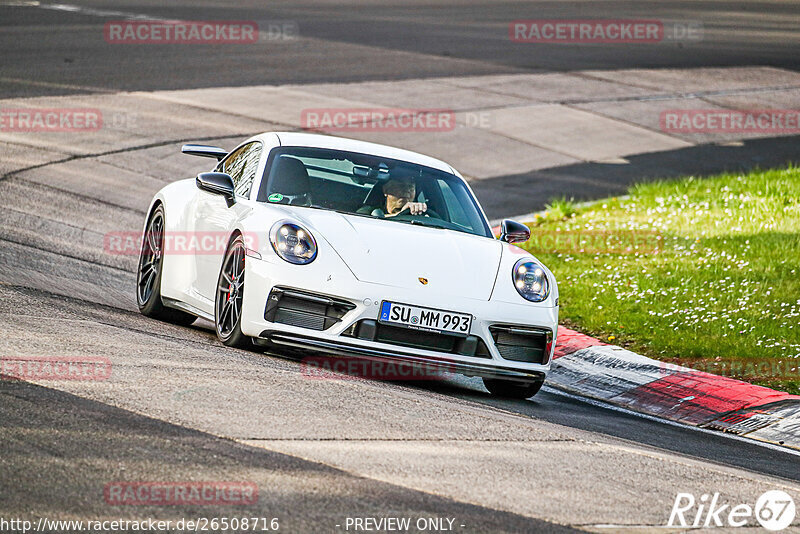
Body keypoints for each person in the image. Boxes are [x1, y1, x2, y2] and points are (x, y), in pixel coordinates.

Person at [358, 176, 427, 217]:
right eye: (401, 186)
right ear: (386, 190)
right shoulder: (368, 210)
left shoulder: (419, 214)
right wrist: (400, 215)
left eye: (411, 187)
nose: (407, 190)